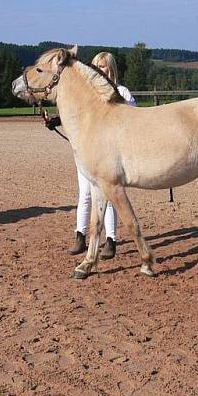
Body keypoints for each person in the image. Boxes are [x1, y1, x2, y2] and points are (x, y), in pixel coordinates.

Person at [46, 52, 136, 259]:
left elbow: (133, 116)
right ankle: (80, 236)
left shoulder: (121, 91)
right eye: (95, 65)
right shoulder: (88, 93)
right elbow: (78, 117)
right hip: (87, 153)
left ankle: (111, 239)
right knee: (85, 196)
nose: (98, 69)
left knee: (109, 197)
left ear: (110, 69)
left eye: (103, 66)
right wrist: (55, 121)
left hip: (108, 156)